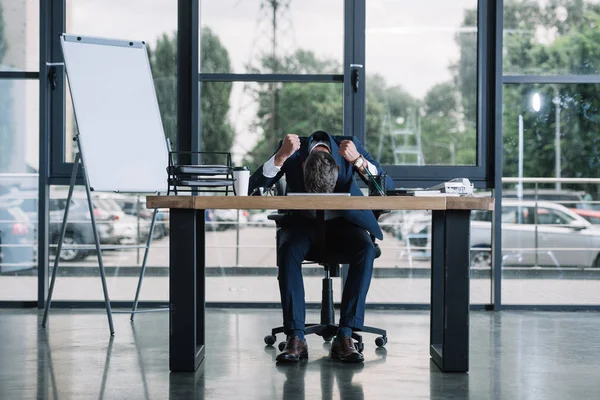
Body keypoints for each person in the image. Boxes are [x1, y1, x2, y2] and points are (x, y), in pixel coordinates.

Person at [248, 130, 393, 364]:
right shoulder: (292, 151)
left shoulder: (350, 146)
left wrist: (359, 161)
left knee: (365, 250)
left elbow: (387, 184)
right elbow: (252, 188)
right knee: (287, 250)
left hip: (344, 224)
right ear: (304, 163)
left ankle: (345, 335)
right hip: (302, 225)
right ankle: (296, 336)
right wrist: (280, 157)